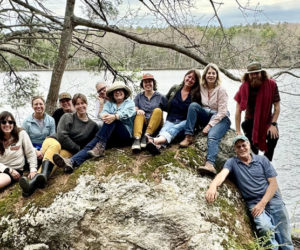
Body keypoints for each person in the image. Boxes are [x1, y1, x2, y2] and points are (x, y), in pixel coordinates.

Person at [206, 135, 293, 249]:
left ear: (249, 145)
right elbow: (222, 174)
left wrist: (262, 203)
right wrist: (213, 186)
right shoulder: (232, 162)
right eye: (238, 147)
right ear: (235, 150)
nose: (242, 148)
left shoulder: (262, 160)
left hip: (273, 200)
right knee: (265, 227)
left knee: (285, 237)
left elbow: (273, 184)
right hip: (254, 202)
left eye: (244, 145)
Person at [19, 94, 98, 196]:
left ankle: (31, 185)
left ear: (87, 104)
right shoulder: (68, 117)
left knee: (57, 159)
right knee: (56, 147)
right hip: (53, 140)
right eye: (77, 104)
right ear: (74, 106)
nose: (80, 106)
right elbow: (61, 136)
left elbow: (95, 140)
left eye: (82, 103)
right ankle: (42, 175)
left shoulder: (93, 125)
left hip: (68, 150)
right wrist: (77, 148)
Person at [52, 82, 136, 173]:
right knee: (94, 144)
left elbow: (128, 113)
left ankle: (100, 145)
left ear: (124, 92)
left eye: (120, 90)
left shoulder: (129, 103)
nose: (117, 93)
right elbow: (102, 113)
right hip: (112, 137)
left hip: (125, 135)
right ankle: (72, 162)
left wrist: (115, 116)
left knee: (112, 120)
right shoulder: (109, 104)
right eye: (115, 91)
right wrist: (104, 116)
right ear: (112, 94)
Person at [179, 63, 231, 174]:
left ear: (217, 75)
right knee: (193, 106)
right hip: (206, 114)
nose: (211, 75)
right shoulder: (201, 87)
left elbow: (222, 112)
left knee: (212, 136)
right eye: (209, 73)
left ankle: (210, 164)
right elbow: (186, 85)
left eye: (213, 73)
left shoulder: (221, 90)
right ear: (205, 75)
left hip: (221, 118)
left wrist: (209, 125)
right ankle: (188, 137)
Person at [146, 69, 201, 155]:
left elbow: (198, 111)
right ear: (185, 77)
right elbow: (163, 101)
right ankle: (157, 145)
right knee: (165, 129)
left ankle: (154, 140)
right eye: (189, 77)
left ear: (196, 82)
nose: (190, 80)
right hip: (171, 119)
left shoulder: (196, 94)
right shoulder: (175, 88)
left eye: (193, 79)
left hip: (185, 122)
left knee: (176, 128)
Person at [234, 62, 280, 161]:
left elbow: (277, 106)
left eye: (256, 73)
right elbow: (238, 109)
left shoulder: (271, 85)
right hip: (250, 121)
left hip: (267, 121)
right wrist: (238, 130)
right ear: (248, 74)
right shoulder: (244, 87)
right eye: (251, 74)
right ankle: (254, 163)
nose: (254, 76)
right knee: (252, 147)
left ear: (261, 73)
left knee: (274, 137)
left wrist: (273, 124)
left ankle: (266, 161)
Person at [0, 111, 37, 190]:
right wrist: (7, 169)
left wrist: (33, 169)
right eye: (3, 122)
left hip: (15, 170)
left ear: (14, 124)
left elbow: (30, 153)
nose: (7, 124)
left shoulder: (21, 134)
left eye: (10, 122)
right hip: (3, 168)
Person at [131, 73, 168, 153]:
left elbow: (168, 110)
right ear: (142, 84)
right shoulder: (139, 96)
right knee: (139, 113)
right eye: (145, 82)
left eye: (150, 81)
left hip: (155, 124)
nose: (148, 84)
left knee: (158, 110)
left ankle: (146, 136)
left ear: (153, 83)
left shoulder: (160, 96)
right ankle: (137, 139)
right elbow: (134, 108)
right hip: (143, 124)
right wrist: (137, 110)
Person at [22, 96, 55, 161]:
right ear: (32, 106)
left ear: (44, 105)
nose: (38, 106)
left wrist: (42, 151)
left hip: (46, 148)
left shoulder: (51, 120)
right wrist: (35, 151)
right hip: (31, 148)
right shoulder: (26, 122)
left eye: (41, 104)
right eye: (36, 104)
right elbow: (24, 141)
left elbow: (52, 137)